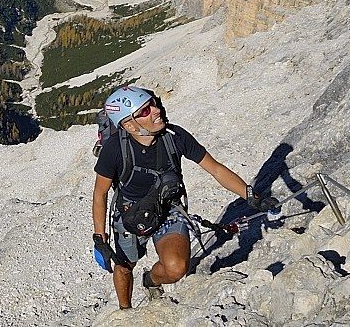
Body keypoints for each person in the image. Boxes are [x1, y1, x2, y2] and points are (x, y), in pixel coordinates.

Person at [90, 86, 279, 308]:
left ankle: (151, 280)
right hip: (130, 213)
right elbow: (100, 192)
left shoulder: (175, 137)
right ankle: (125, 313)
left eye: (153, 103)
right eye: (144, 111)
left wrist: (251, 196)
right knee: (123, 266)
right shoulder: (115, 148)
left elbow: (215, 169)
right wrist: (100, 236)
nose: (156, 110)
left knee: (176, 268)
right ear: (129, 125)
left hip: (168, 209)